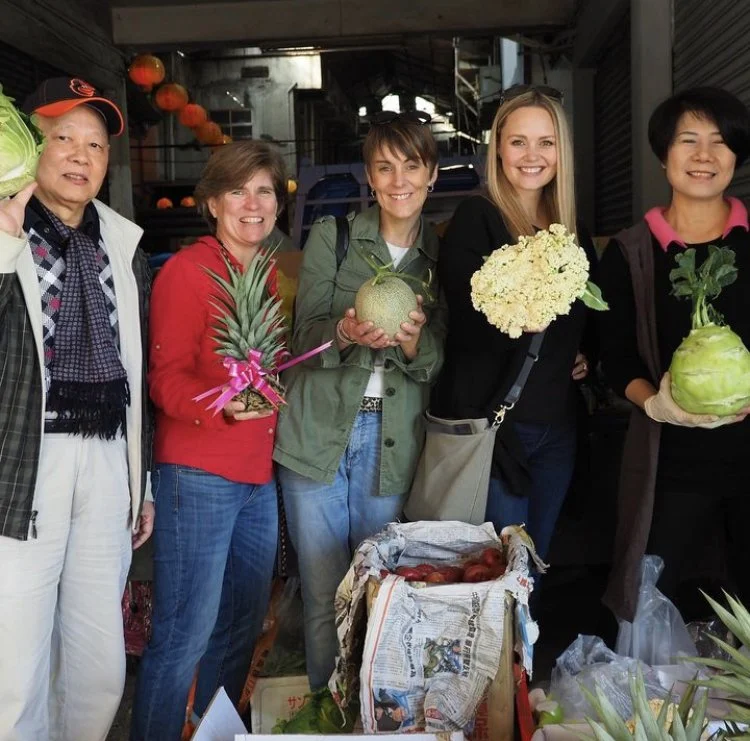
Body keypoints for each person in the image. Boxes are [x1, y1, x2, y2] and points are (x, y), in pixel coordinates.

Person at [0, 76, 153, 740]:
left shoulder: (119, 241)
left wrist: (138, 479)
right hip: (24, 464)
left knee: (98, 659)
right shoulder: (3, 232)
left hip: (105, 457)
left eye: (95, 143)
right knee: (14, 659)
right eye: (63, 136)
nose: (80, 155)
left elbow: (133, 369)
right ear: (33, 145)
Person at [273, 111, 445, 690]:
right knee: (324, 593)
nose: (398, 181)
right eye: (384, 167)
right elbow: (300, 340)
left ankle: (374, 712)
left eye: (412, 166)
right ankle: (330, 706)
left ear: (432, 175)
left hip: (391, 441)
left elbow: (438, 362)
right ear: (370, 179)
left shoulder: (440, 260)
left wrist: (418, 345)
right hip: (319, 432)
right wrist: (342, 335)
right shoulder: (334, 236)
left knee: (378, 587)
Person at [130, 140, 286, 740]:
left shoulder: (265, 274)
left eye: (265, 190)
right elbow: (164, 383)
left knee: (240, 628)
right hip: (196, 475)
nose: (253, 203)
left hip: (255, 477)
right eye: (238, 191)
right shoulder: (187, 272)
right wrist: (226, 405)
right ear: (214, 203)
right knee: (183, 633)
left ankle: (213, 731)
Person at [598, 87, 750, 622]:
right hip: (671, 464)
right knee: (655, 603)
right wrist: (656, 403)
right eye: (689, 141)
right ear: (664, 155)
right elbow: (612, 355)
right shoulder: (630, 251)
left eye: (719, 142)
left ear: (736, 157)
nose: (704, 156)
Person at [431, 85, 597, 563]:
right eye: (518, 141)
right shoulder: (476, 219)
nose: (532, 155)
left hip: (557, 429)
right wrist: (521, 320)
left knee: (536, 565)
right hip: (500, 429)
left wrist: (581, 356)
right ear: (498, 148)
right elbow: (464, 328)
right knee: (497, 570)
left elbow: (583, 324)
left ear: (560, 151)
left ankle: (528, 644)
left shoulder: (573, 230)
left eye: (546, 142)